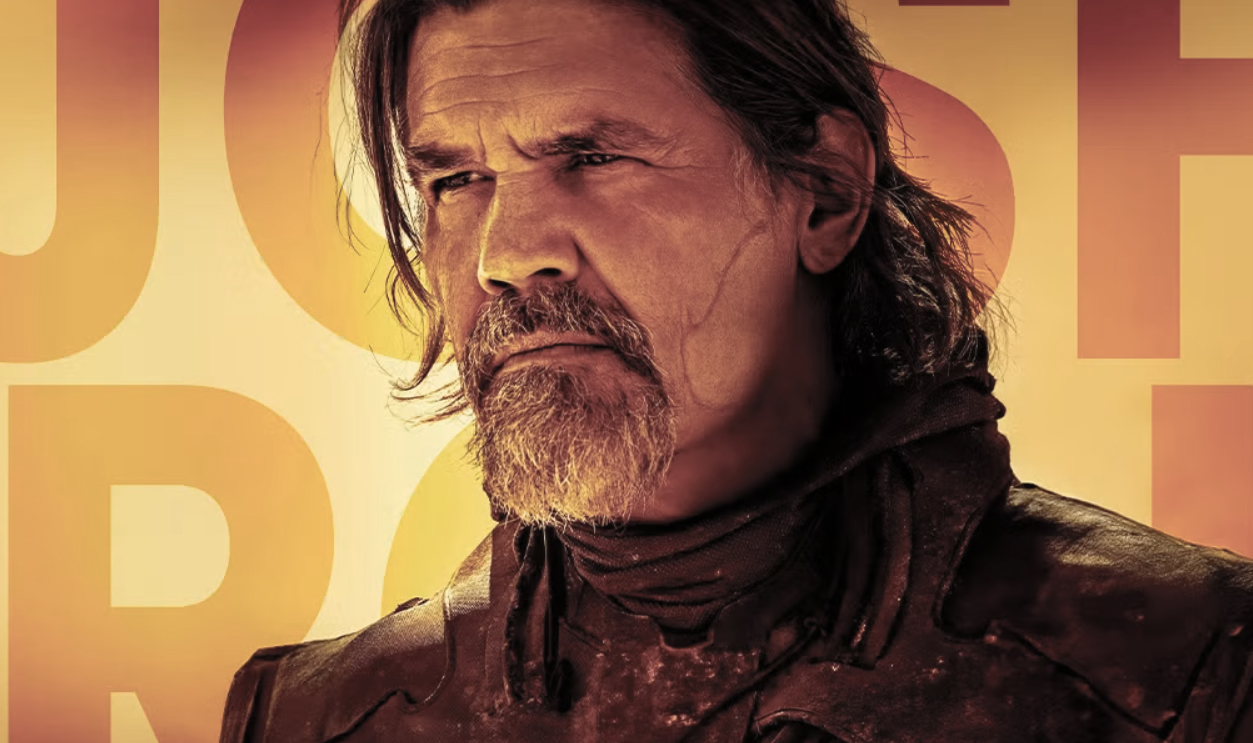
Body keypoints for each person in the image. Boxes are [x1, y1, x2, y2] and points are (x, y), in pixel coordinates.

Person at [219, 0, 1253, 740]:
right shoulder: (317, 716)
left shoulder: (1187, 668)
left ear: (824, 192)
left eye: (592, 157)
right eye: (456, 178)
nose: (504, 252)